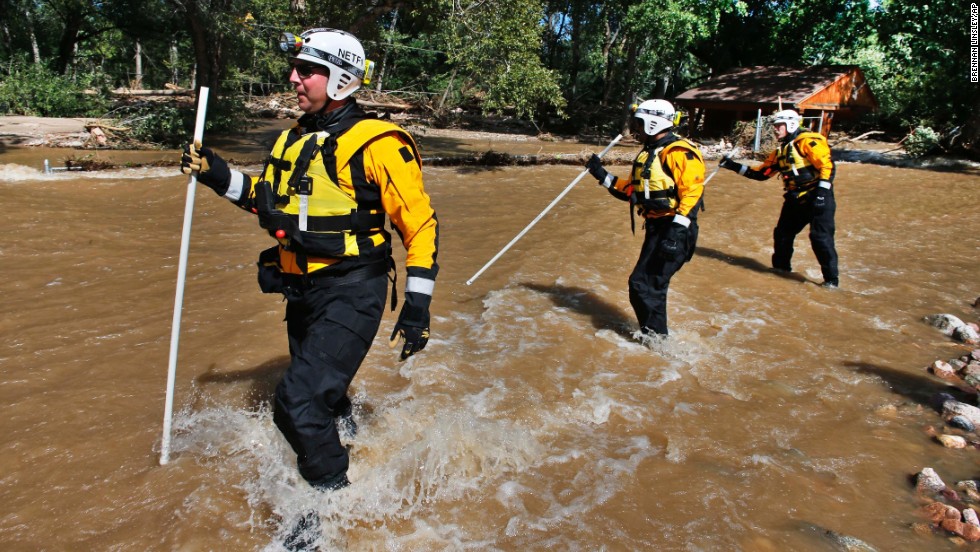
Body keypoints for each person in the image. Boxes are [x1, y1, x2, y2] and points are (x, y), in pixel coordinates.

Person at [179, 28, 439, 493]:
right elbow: (265, 201)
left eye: (307, 71)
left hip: (353, 291)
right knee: (323, 398)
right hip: (302, 291)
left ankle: (329, 504)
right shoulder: (294, 140)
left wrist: (417, 304)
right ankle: (352, 440)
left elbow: (419, 226)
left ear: (339, 79)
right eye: (296, 69)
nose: (294, 79)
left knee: (295, 403)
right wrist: (215, 174)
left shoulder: (379, 144)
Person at [585, 99, 705, 337]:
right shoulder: (650, 153)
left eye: (639, 123)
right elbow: (631, 191)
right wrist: (600, 174)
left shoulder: (679, 152)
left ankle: (657, 341)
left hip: (674, 229)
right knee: (646, 286)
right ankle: (656, 338)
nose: (637, 128)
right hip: (658, 227)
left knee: (644, 286)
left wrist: (674, 234)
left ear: (652, 123)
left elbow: (693, 194)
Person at [718, 109, 839, 287]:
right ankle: (781, 271)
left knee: (819, 238)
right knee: (782, 234)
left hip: (817, 197)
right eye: (774, 126)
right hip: (795, 198)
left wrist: (821, 195)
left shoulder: (808, 141)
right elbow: (761, 174)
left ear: (790, 124)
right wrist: (732, 166)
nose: (775, 130)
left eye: (778, 126)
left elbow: (827, 167)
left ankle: (831, 280)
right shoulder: (780, 152)